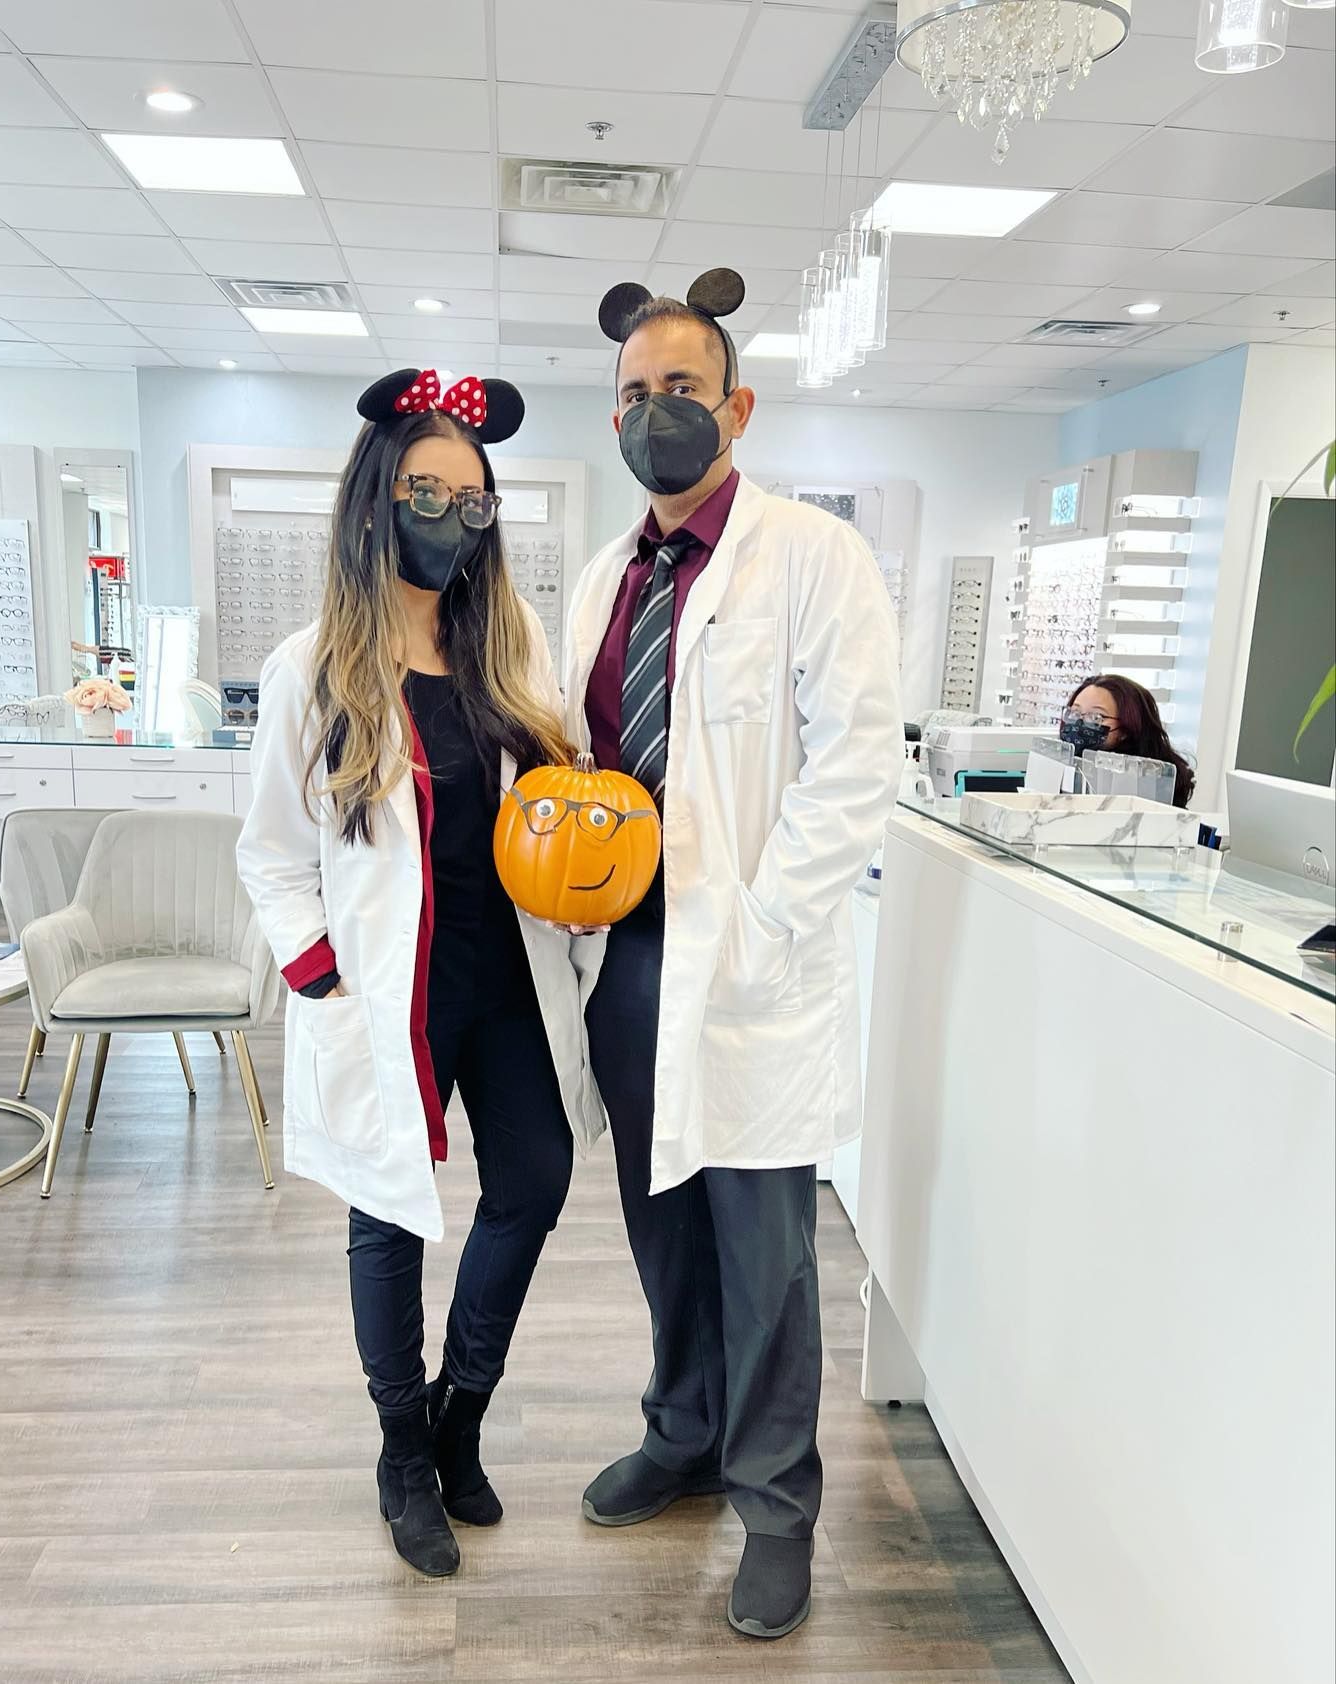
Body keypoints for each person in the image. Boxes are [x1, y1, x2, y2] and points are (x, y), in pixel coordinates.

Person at [565, 269, 904, 1640]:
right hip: (628, 961)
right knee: (661, 1228)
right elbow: (579, 753)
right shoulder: (602, 574)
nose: (659, 415)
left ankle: (776, 1503)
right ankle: (685, 1433)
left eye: (682, 392)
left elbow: (855, 762)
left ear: (738, 407)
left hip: (750, 967)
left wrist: (762, 925)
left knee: (763, 1252)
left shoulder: (812, 559)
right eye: (636, 397)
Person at [236, 368, 605, 1581]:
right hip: (386, 985)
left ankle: (461, 1412)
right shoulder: (314, 667)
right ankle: (402, 1452)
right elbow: (273, 852)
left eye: (473, 499)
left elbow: (556, 791)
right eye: (427, 490)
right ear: (376, 499)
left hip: (505, 970)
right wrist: (319, 970)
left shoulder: (509, 643)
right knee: (388, 1208)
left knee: (537, 1176)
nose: (452, 515)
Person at [1062, 674, 1195, 807]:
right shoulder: (1065, 766)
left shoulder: (1143, 784)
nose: (1079, 722)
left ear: (1127, 728)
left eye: (1097, 717)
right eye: (1075, 712)